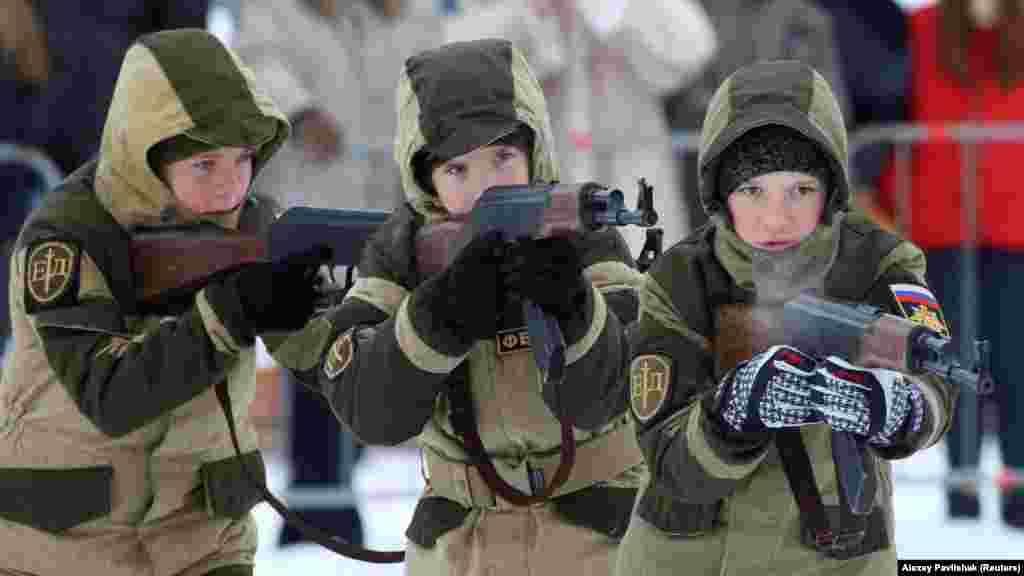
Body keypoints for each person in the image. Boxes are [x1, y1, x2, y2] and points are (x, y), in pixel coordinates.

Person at [270, 38, 648, 574]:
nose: (485, 189)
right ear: (424, 178)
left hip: (599, 540)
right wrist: (438, 319)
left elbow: (612, 398)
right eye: (456, 171)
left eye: (502, 157)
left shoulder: (580, 238)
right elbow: (372, 414)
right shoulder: (404, 250)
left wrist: (574, 310)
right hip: (460, 549)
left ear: (533, 154)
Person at [0, 28, 324, 576]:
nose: (231, 188)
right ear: (146, 158)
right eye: (205, 166)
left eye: (244, 159)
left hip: (202, 538)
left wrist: (396, 303)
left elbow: (328, 359)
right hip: (63, 544)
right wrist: (230, 314)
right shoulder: (65, 237)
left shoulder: (249, 227)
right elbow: (111, 395)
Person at [615, 60, 958, 575]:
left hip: (835, 557)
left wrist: (898, 408)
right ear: (721, 194)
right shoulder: (681, 279)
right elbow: (666, 457)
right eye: (753, 190)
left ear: (831, 188)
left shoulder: (879, 262)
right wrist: (729, 416)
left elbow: (936, 380)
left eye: (800, 189)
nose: (776, 217)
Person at [874, 0, 1024, 527]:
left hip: (1015, 229)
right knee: (954, 358)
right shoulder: (921, 29)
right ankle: (960, 486)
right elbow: (892, 115)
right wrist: (898, 197)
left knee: (1014, 361)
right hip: (941, 227)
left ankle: (1018, 485)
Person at [444, 0, 717, 253]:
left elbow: (691, 51)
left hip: (629, 180)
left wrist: (614, 11)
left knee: (639, 287)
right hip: (530, 187)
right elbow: (454, 63)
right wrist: (528, 19)